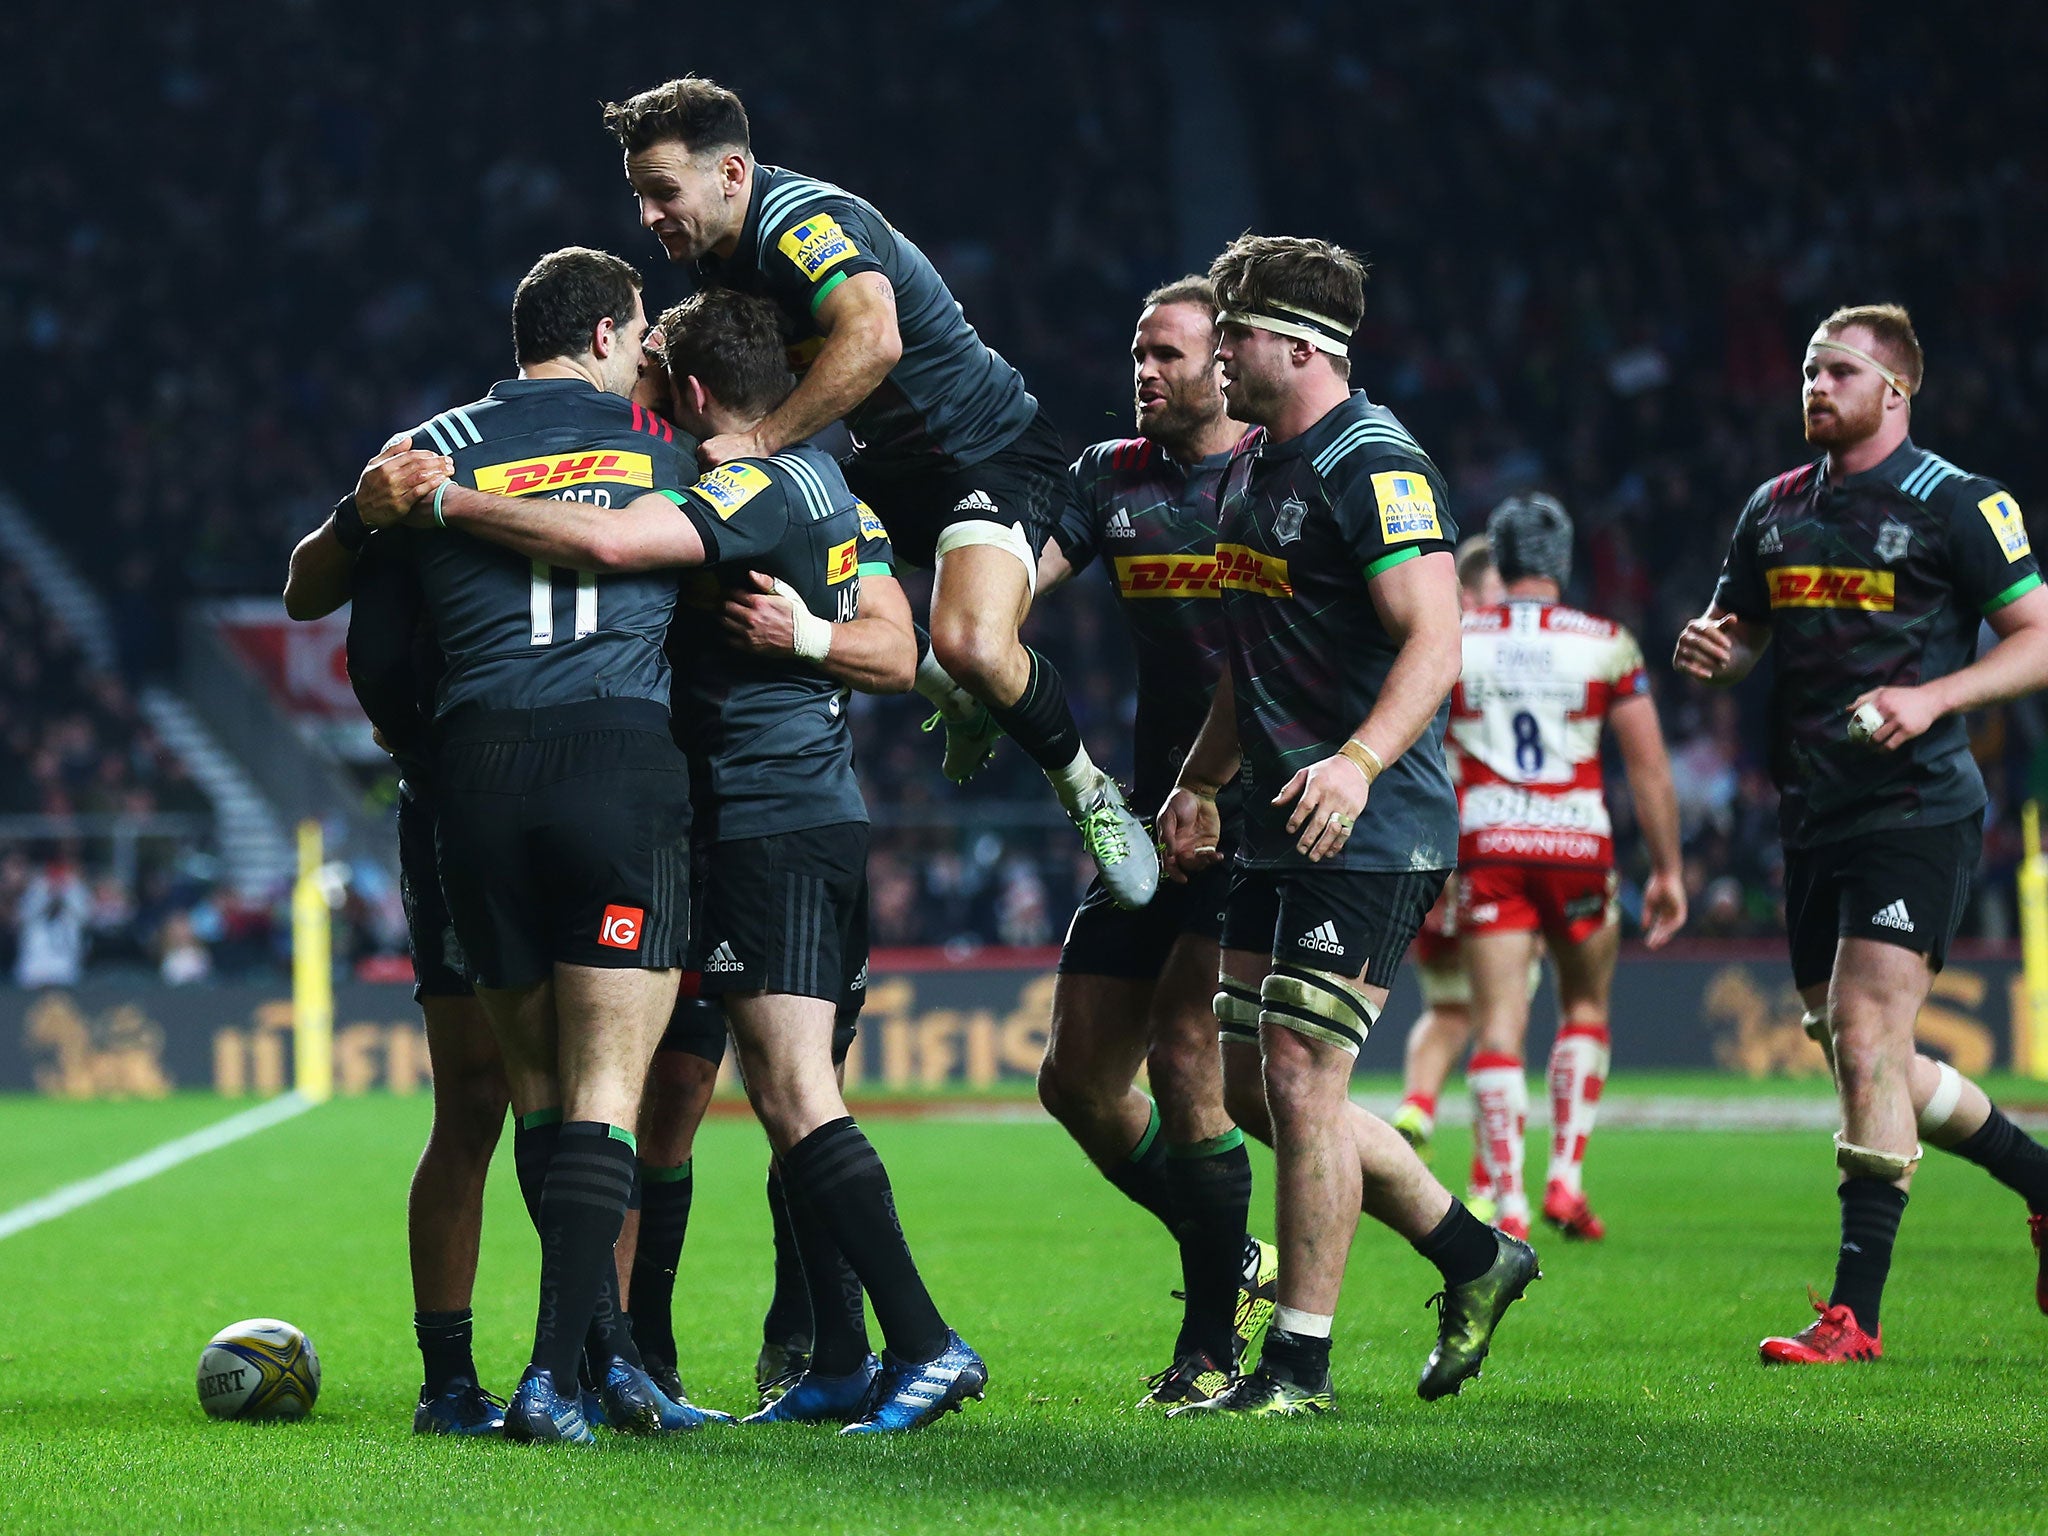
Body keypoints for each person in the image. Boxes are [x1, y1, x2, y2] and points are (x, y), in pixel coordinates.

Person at [395, 288, 987, 1434]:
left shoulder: (746, 482)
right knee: (703, 1094)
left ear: (695, 390)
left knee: (783, 1091)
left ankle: (916, 1342)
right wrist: (814, 637)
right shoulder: (828, 485)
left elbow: (620, 542)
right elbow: (887, 634)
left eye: (653, 377)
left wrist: (445, 499)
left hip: (764, 818)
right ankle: (755, 1360)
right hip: (725, 823)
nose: (636, 402)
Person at [599, 76, 1156, 910]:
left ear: (732, 173)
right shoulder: (716, 262)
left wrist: (757, 443)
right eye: (640, 197)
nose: (649, 217)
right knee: (754, 569)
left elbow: (875, 336)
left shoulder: (801, 225)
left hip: (983, 452)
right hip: (880, 466)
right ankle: (954, 700)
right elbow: (680, 380)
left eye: (663, 194)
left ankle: (1087, 789)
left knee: (970, 640)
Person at [1158, 235, 1537, 1416]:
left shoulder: (1372, 460)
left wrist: (1361, 764)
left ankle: (1297, 1369)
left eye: (1234, 334)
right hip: (1276, 820)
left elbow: (1437, 634)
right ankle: (1475, 1255)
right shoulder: (1255, 467)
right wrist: (1198, 782)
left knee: (1299, 1073)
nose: (1217, 352)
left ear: (1301, 346)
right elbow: (1248, 665)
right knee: (1253, 1082)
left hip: (1367, 822)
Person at [353, 245, 708, 1443]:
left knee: (516, 1095)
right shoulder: (668, 444)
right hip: (618, 766)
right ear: (609, 331)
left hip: (471, 781)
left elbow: (342, 619)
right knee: (605, 1089)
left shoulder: (428, 446)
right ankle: (579, 1369)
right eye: (643, 325)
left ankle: (526, 1371)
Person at [1675, 302, 2048, 1363]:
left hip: (1916, 803)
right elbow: (1745, 629)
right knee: (1856, 1051)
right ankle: (2038, 1179)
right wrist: (1720, 651)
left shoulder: (1957, 504)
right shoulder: (1772, 509)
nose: (1812, 387)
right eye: (1804, 370)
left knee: (1868, 1035)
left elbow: (2035, 636)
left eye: (1834, 371)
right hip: (1811, 809)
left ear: (1894, 391)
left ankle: (1853, 1316)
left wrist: (1934, 701)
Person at [1032, 277, 1276, 1408]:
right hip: (1144, 817)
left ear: (1224, 364)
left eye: (1165, 355)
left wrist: (1218, 788)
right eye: (1136, 353)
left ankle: (1210, 1349)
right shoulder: (1106, 475)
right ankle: (1232, 1257)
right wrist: (976, 633)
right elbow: (1029, 577)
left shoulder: (1274, 477)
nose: (1143, 372)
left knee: (1185, 1056)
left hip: (1251, 815)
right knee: (1076, 1079)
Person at [283, 451, 511, 1436]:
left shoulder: (614, 479)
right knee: (472, 1102)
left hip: (593, 795)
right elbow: (302, 591)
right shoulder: (418, 495)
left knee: (591, 1105)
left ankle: (607, 1358)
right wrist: (357, 514)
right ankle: (450, 1381)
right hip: (454, 806)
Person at [1450, 493, 1687, 1243]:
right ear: (1563, 561)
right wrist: (1668, 871)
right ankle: (1566, 1180)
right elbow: (1648, 768)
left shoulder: (1457, 637)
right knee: (1584, 1008)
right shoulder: (1605, 642)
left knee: (1497, 1026)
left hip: (1489, 846)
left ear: (1503, 559)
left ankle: (1510, 1201)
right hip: (1578, 848)